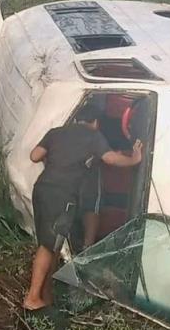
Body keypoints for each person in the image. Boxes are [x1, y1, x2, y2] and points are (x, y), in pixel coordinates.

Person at [24, 105, 143, 311]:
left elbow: (35, 155)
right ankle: (33, 298)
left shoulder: (56, 133)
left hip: (41, 189)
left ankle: (46, 296)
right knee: (47, 245)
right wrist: (135, 158)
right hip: (62, 195)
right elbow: (110, 158)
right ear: (96, 122)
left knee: (52, 244)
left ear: (77, 119)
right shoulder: (93, 136)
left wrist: (56, 162)